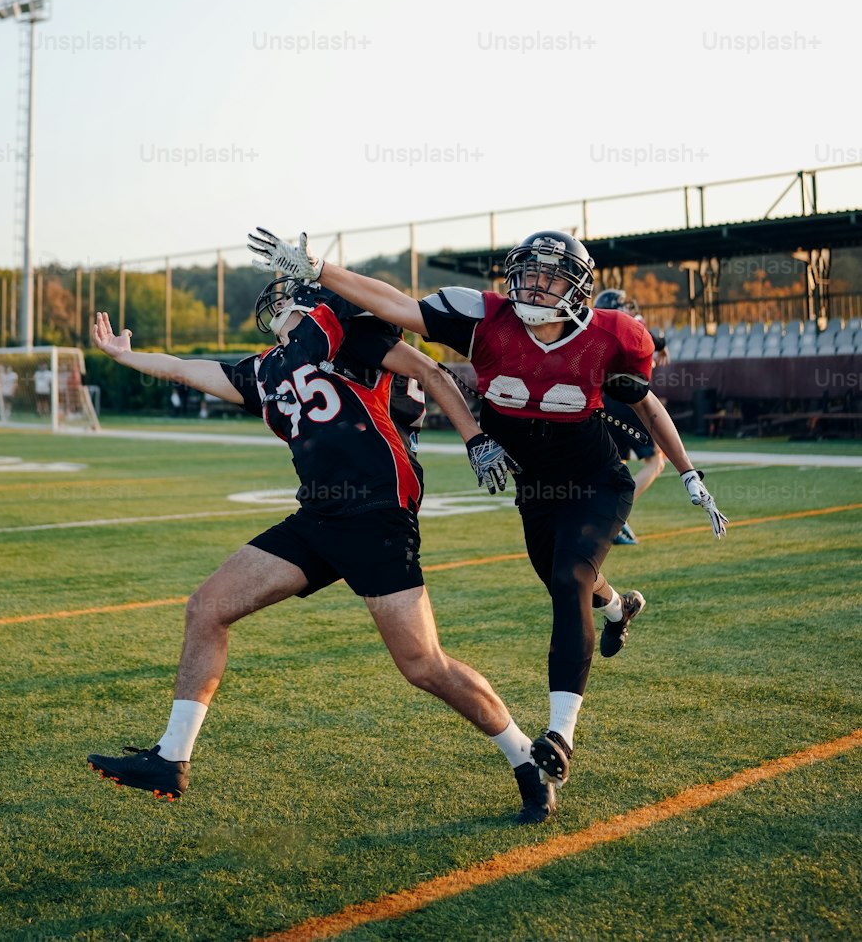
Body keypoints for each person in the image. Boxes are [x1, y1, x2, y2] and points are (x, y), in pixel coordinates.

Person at [249, 227, 728, 821]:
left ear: (578, 287)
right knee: (565, 575)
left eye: (549, 275)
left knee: (569, 578)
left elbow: (644, 402)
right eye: (526, 272)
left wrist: (688, 474)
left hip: (596, 481)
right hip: (535, 485)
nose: (533, 284)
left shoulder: (615, 335)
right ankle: (618, 607)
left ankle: (560, 737)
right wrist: (323, 270)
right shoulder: (483, 315)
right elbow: (395, 303)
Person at [86, 282, 551, 821]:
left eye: (287, 300)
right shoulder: (264, 371)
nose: (278, 311)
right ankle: (172, 757)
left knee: (424, 666)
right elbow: (185, 368)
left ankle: (525, 759)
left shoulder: (344, 333)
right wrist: (126, 355)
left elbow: (429, 371)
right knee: (206, 608)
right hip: (318, 517)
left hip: (376, 511)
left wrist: (474, 437)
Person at [593, 289, 668, 545]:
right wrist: (662, 343)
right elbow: (651, 337)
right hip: (626, 400)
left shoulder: (593, 328)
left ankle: (612, 517)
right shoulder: (626, 324)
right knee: (656, 461)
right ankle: (615, 514)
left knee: (619, 464)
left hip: (602, 402)